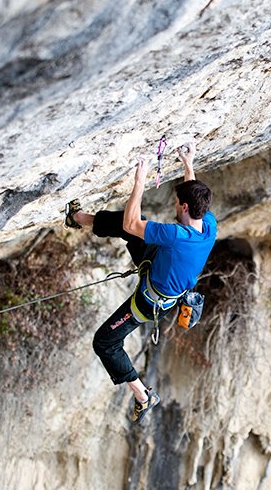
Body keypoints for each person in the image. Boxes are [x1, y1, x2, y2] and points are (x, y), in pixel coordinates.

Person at [64, 142, 217, 422]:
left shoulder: (177, 235)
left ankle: (143, 396)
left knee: (105, 342)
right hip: (158, 266)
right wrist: (188, 163)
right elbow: (191, 197)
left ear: (183, 207)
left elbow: (130, 223)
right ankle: (78, 218)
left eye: (176, 203)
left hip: (149, 303)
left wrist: (139, 182)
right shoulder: (208, 226)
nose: (175, 206)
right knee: (138, 228)